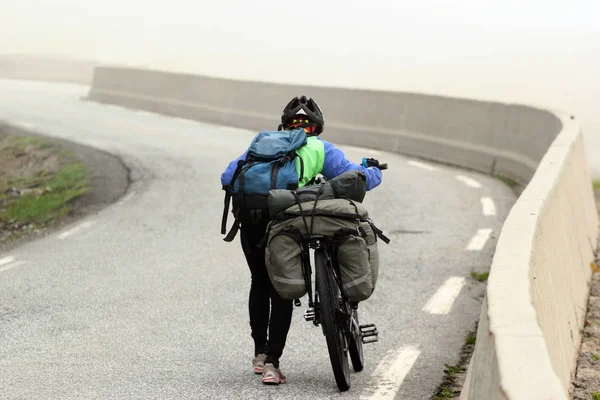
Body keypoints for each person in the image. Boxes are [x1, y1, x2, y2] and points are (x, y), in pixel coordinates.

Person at [220, 95, 383, 385]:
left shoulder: (261, 145)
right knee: (283, 286)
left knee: (261, 281)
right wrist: (372, 171)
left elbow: (227, 176)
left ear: (284, 127)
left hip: (252, 216)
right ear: (317, 127)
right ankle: (273, 362)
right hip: (287, 219)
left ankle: (260, 355)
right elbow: (355, 178)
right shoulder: (320, 147)